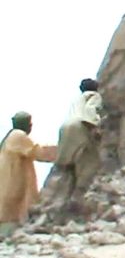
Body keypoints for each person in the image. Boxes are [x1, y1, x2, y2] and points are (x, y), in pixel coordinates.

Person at [40, 79, 103, 218]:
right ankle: (78, 199)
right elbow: (90, 110)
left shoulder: (77, 99)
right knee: (88, 162)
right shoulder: (94, 96)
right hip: (80, 126)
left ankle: (53, 203)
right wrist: (95, 127)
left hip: (65, 127)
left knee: (66, 165)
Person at [0, 112, 56, 237]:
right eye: (29, 123)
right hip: (12, 182)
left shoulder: (10, 137)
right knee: (11, 213)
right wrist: (62, 152)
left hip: (8, 181)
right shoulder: (18, 136)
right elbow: (36, 152)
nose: (30, 126)